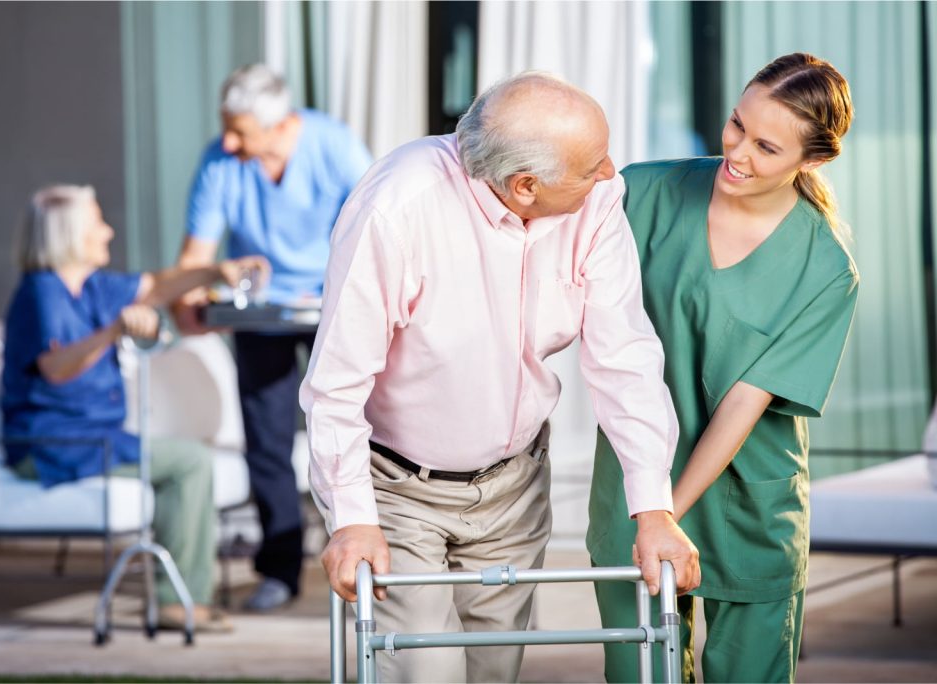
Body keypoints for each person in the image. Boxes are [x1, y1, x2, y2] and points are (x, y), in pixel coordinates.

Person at [300, 72, 701, 683]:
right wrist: (353, 518)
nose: (610, 171)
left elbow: (626, 360)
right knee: (426, 674)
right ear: (525, 186)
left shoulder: (596, 201)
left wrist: (654, 509)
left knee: (496, 674)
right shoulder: (397, 208)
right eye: (593, 162)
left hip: (515, 486)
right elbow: (336, 382)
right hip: (400, 490)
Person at [587, 53, 859, 683]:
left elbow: (745, 402)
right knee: (639, 675)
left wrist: (666, 514)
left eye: (766, 147)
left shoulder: (825, 268)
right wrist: (648, 513)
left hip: (748, 505)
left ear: (811, 160)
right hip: (634, 493)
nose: (736, 152)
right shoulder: (643, 193)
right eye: (736, 124)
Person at [2, 184, 266, 632]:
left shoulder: (93, 287)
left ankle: (178, 595)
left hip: (97, 439)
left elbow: (158, 286)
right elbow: (56, 368)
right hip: (52, 444)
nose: (108, 232)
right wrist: (111, 333)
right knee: (188, 461)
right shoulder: (42, 293)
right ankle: (173, 601)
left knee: (187, 458)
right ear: (69, 235)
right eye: (97, 224)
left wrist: (214, 273)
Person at [171, 64, 373, 612]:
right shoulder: (221, 161)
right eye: (226, 128)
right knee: (267, 442)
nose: (228, 141)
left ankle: (379, 559)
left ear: (281, 124)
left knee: (369, 429)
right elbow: (197, 254)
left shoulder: (332, 145)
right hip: (263, 314)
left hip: (335, 306)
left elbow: (379, 228)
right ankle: (281, 569)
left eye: (240, 131)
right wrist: (185, 301)